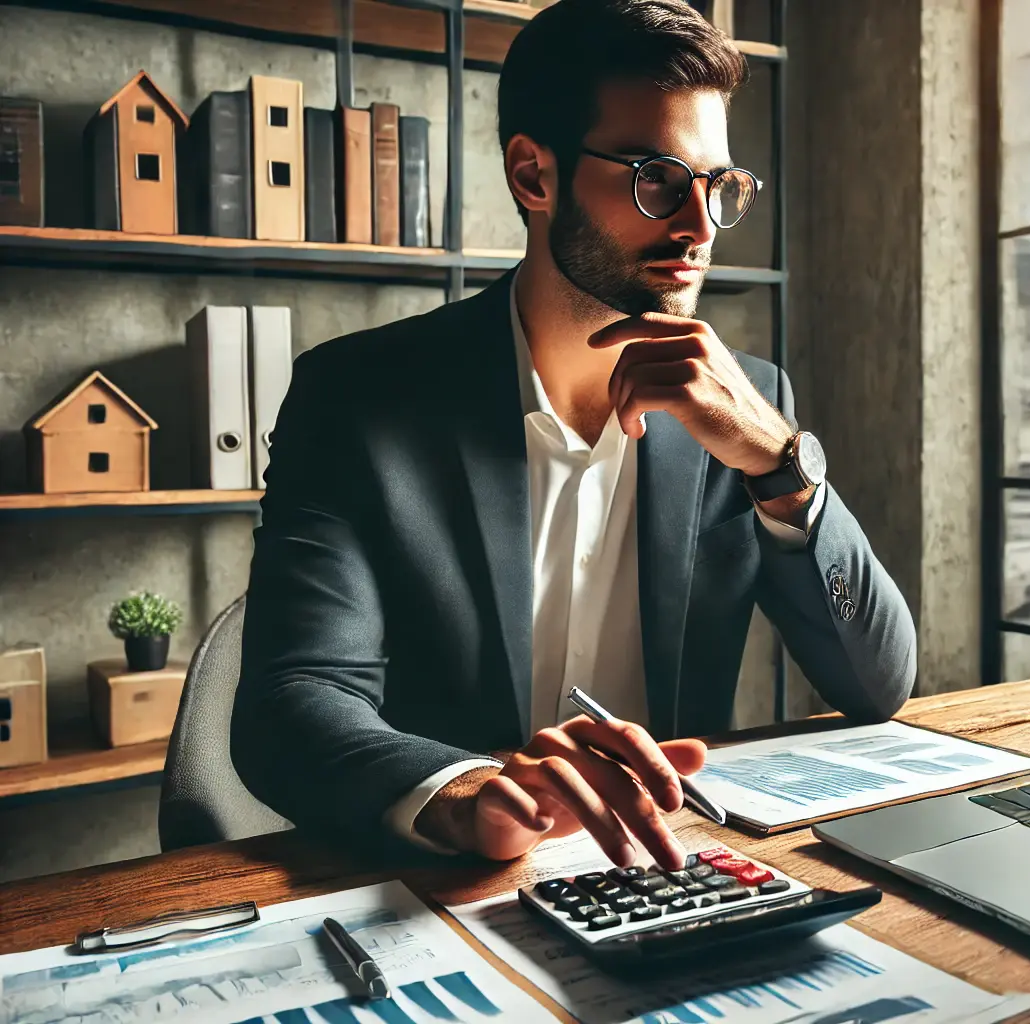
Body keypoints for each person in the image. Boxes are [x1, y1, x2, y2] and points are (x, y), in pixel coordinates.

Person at [231, 0, 915, 871]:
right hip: (438, 887)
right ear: (533, 175)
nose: (701, 228)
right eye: (658, 179)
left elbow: (877, 683)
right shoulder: (358, 397)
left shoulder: (749, 404)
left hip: (670, 871)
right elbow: (296, 698)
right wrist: (463, 791)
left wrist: (779, 463)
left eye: (720, 186)